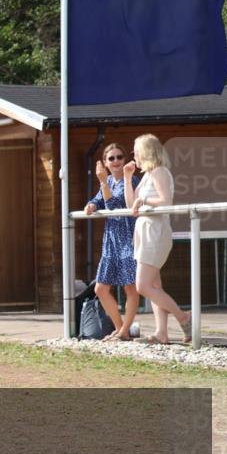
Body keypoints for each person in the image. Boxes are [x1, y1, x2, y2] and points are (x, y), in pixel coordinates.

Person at [124, 134, 191, 345]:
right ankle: (162, 332)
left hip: (156, 230)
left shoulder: (160, 171)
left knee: (142, 286)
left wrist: (144, 200)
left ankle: (183, 317)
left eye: (135, 150)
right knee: (154, 284)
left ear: (146, 151)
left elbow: (165, 200)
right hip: (144, 230)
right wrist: (127, 178)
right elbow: (131, 204)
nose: (133, 154)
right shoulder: (146, 175)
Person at [84, 143, 140, 341]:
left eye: (119, 157)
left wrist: (102, 183)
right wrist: (91, 204)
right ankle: (120, 329)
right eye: (111, 158)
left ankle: (124, 331)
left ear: (124, 160)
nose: (116, 161)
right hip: (111, 240)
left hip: (128, 238)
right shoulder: (107, 181)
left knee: (130, 287)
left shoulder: (130, 180)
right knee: (100, 288)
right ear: (106, 163)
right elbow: (99, 200)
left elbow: (113, 205)